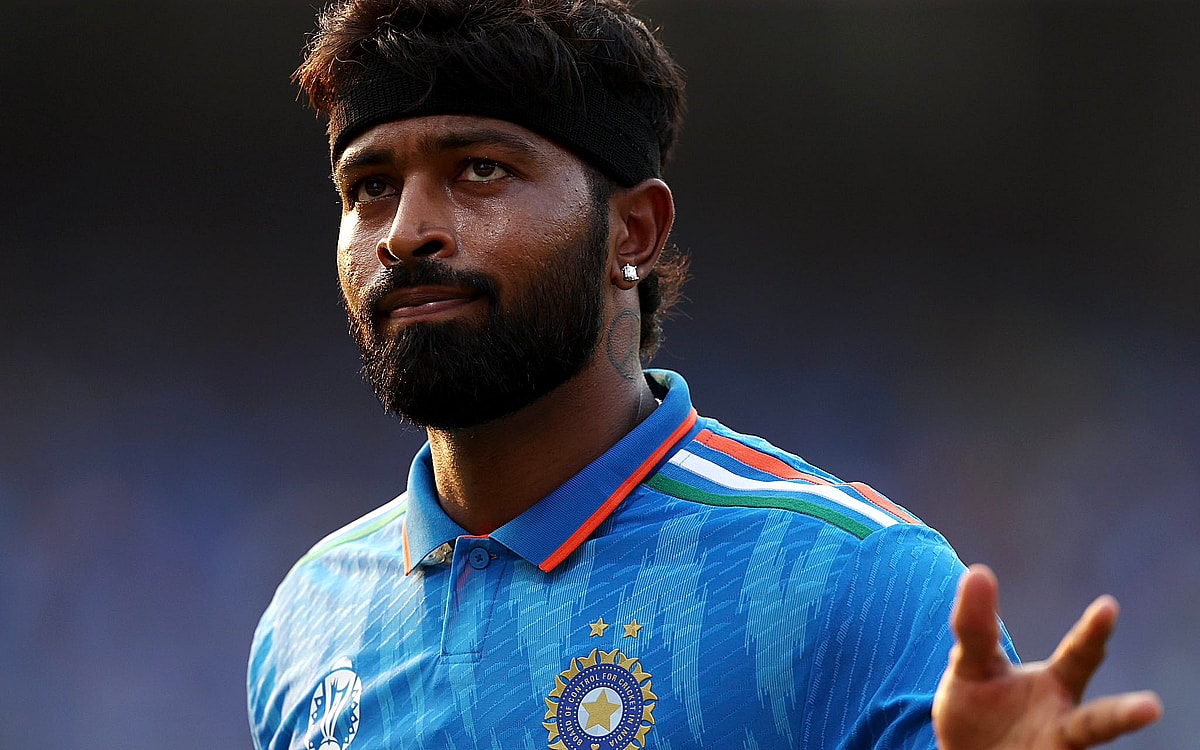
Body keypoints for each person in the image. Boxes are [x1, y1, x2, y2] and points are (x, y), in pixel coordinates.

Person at [248, 1, 1163, 748]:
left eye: (480, 170)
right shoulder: (307, 622)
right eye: (370, 187)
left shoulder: (853, 581)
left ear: (635, 231)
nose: (407, 232)